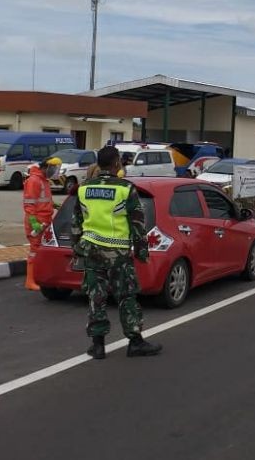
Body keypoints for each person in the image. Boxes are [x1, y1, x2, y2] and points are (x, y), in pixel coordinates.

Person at [71, 146, 162, 359]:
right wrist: (142, 252)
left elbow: (76, 223)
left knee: (96, 297)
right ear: (117, 163)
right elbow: (138, 224)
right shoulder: (125, 189)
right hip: (118, 254)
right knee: (126, 296)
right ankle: (135, 342)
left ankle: (98, 345)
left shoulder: (84, 188)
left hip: (91, 250)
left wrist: (76, 250)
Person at [22, 157, 60, 291]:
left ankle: (36, 278)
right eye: (54, 168)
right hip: (36, 223)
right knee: (35, 250)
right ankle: (30, 281)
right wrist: (34, 223)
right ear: (46, 167)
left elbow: (43, 200)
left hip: (44, 221)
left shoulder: (43, 181)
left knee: (40, 251)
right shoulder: (34, 181)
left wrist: (55, 205)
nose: (55, 171)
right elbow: (29, 204)